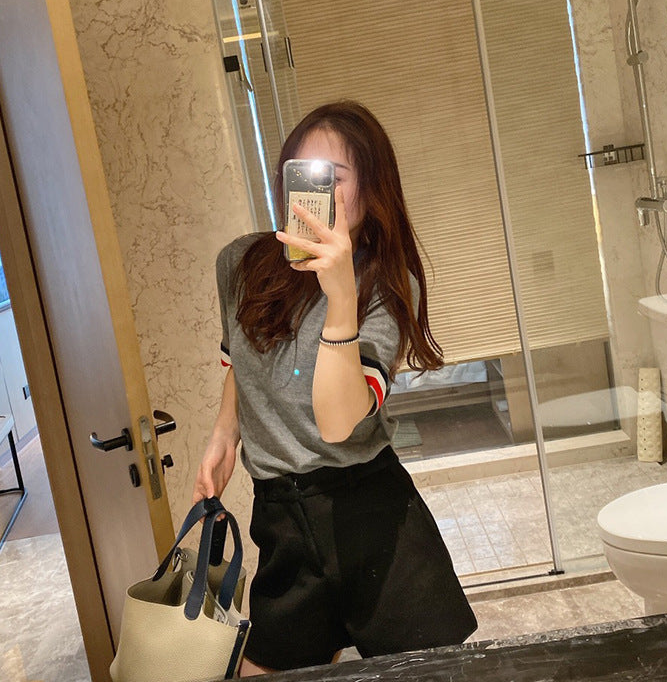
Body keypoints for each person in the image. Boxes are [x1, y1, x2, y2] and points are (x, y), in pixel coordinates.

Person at [193, 101, 477, 675]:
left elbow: (337, 421)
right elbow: (239, 360)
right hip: (282, 519)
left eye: (331, 178)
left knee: (435, 673)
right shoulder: (240, 264)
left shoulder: (387, 286)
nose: (311, 194)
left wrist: (341, 295)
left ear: (371, 192)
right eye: (300, 173)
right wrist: (225, 431)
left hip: (372, 515)